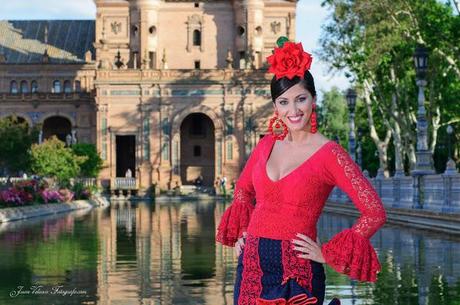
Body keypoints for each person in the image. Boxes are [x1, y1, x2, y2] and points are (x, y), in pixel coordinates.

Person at [216, 37, 387, 305]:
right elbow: (243, 191)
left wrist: (326, 254)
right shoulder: (265, 145)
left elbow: (374, 212)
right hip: (251, 267)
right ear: (275, 107)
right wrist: (242, 235)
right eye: (284, 102)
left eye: (300, 99)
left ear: (313, 99)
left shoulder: (330, 154)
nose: (293, 110)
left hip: (298, 269)